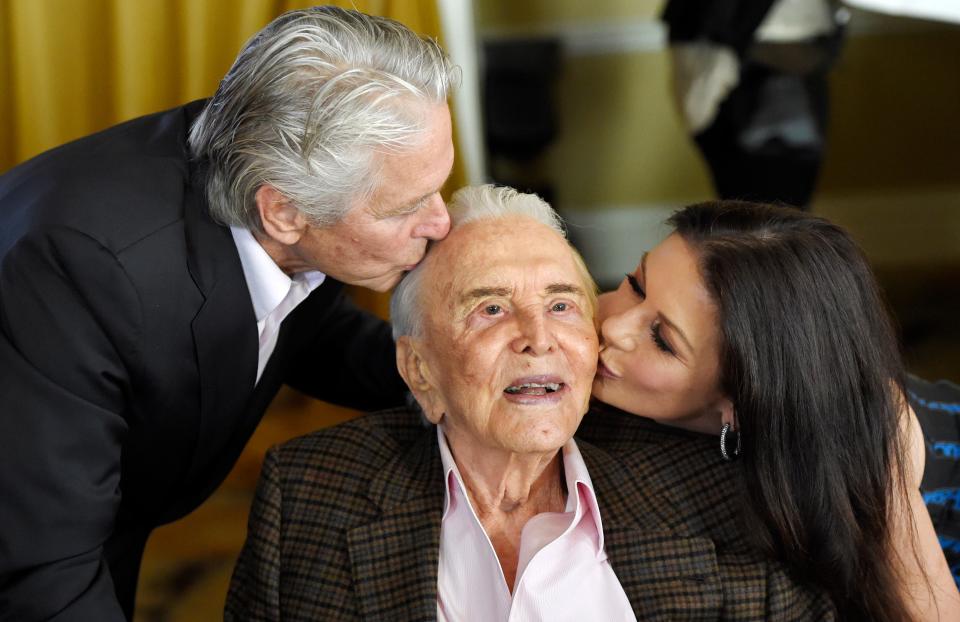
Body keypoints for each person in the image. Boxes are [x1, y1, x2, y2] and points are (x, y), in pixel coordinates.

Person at [0, 7, 456, 619]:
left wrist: (455, 375)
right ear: (284, 213)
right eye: (407, 206)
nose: (440, 223)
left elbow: (306, 326)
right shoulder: (82, 274)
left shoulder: (280, 162)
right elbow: (43, 572)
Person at [225, 185, 835, 620]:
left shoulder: (720, 497)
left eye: (563, 303)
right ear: (419, 370)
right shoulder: (307, 497)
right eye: (490, 308)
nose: (537, 337)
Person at [586, 200, 960, 621]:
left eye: (663, 340)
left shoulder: (880, 444)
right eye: (636, 284)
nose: (613, 326)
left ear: (741, 404)